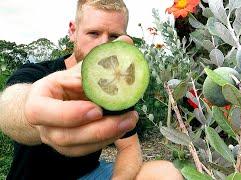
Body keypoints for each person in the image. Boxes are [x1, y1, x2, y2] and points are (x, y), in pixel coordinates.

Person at [0, 0, 183, 179]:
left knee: (165, 173)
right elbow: (8, 106)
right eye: (94, 33)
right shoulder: (38, 73)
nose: (103, 44)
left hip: (91, 175)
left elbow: (129, 147)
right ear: (73, 31)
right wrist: (35, 117)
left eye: (113, 36)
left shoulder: (114, 88)